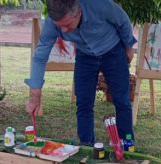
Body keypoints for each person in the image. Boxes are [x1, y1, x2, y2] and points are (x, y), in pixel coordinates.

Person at [25, 0, 136, 146]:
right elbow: (40, 57)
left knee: (122, 100)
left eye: (67, 25)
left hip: (113, 50)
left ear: (78, 13)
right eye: (60, 26)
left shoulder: (99, 5)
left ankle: (126, 144)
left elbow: (122, 20)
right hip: (85, 55)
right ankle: (86, 146)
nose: (63, 31)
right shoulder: (53, 22)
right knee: (83, 102)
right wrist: (35, 95)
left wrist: (128, 47)